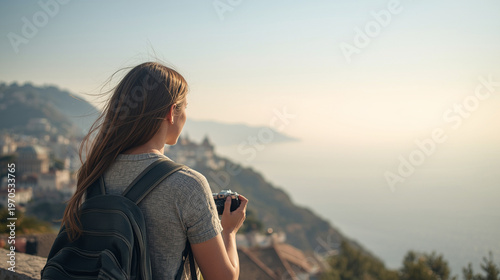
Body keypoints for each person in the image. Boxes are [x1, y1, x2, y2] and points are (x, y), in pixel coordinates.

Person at [61, 62, 247, 280]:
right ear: (171, 112)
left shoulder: (93, 173)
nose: (185, 116)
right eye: (184, 107)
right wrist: (229, 231)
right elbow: (223, 278)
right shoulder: (187, 185)